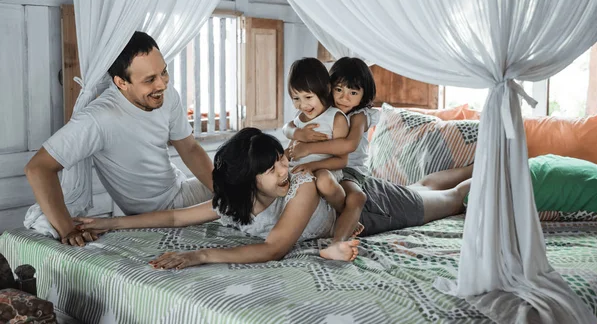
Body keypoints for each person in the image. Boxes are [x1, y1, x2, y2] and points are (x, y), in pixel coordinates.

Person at [74, 128, 472, 269]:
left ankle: (496, 168)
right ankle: (477, 164)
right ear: (247, 181)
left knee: (452, 199)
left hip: (375, 206)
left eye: (281, 159)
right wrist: (107, 222)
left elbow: (273, 249)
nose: (284, 170)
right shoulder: (232, 199)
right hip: (354, 192)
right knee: (426, 185)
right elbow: (177, 219)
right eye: (272, 169)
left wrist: (202, 255)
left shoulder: (299, 187)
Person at [24, 31, 213, 247]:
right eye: (150, 79)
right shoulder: (99, 118)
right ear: (121, 82)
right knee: (252, 188)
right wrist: (66, 228)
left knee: (248, 182)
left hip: (181, 191)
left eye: (164, 72)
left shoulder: (167, 95)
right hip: (161, 211)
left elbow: (189, 148)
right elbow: (37, 168)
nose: (161, 84)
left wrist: (224, 191)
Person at [284, 57, 378, 238]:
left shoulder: (359, 116)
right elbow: (288, 126)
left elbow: (349, 145)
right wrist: (297, 134)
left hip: (350, 169)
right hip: (323, 165)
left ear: (364, 94)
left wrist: (308, 149)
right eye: (339, 89)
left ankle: (339, 240)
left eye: (353, 92)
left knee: (356, 197)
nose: (344, 97)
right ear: (328, 88)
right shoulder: (318, 109)